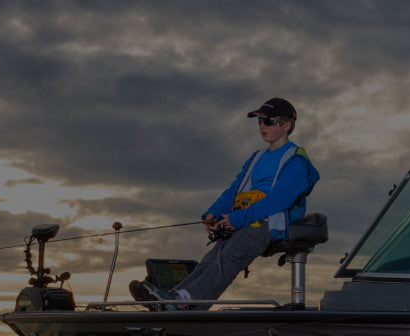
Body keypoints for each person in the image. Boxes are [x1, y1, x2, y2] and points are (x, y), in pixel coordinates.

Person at [134, 97, 319, 309]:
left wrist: (239, 218)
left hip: (274, 222)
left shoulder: (297, 161)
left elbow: (279, 200)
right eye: (259, 122)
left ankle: (184, 302)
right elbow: (234, 190)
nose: (261, 126)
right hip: (247, 219)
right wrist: (212, 213)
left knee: (230, 255)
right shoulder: (257, 157)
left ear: (286, 125)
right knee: (212, 257)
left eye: (268, 121)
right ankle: (174, 299)